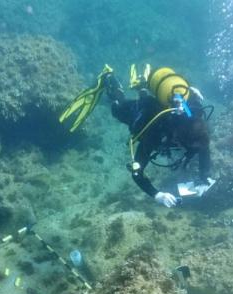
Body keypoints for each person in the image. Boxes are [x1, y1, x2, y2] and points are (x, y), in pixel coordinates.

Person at [61, 65, 215, 208]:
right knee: (117, 109)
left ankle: (142, 85)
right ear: (177, 139)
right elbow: (137, 172)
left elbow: (203, 148)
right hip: (143, 112)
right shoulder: (154, 134)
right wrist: (156, 194)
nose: (192, 148)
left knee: (155, 100)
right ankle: (109, 77)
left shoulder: (195, 121)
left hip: (170, 98)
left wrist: (204, 178)